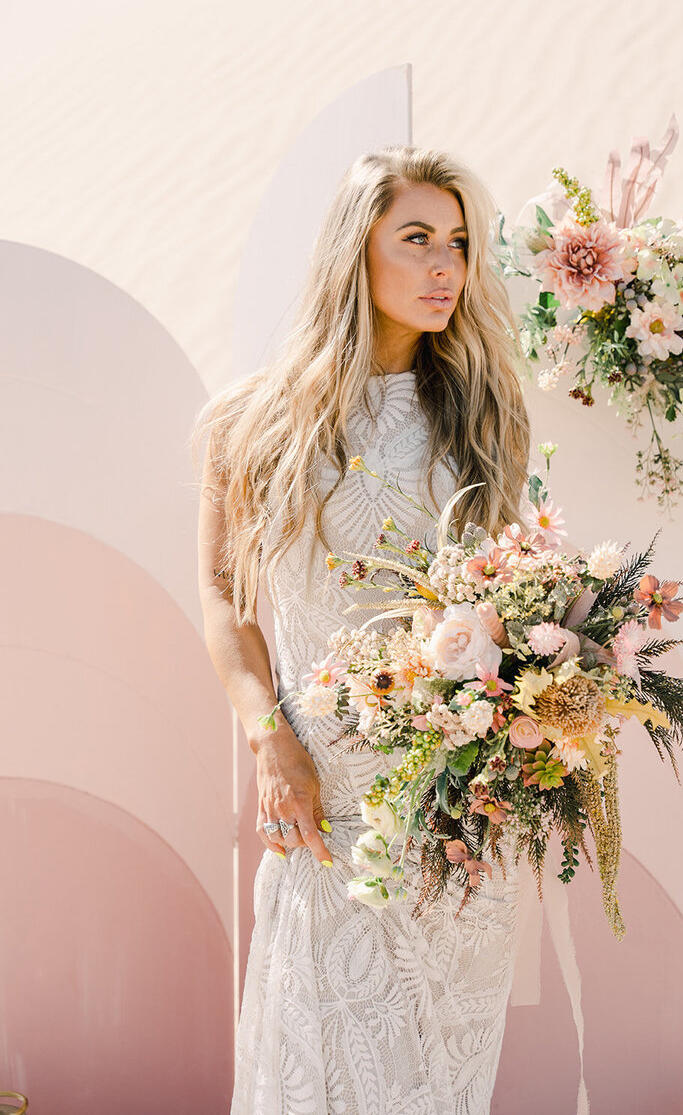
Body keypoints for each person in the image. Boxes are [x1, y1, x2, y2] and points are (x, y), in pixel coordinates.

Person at [193, 145, 532, 1114]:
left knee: (437, 1081)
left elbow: (504, 591)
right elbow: (224, 604)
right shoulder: (251, 421)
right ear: (355, 254)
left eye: (458, 244)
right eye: (415, 239)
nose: (443, 268)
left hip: (455, 810)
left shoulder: (479, 414)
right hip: (323, 802)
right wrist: (270, 740)